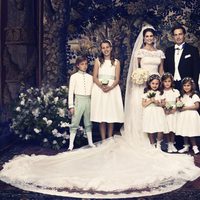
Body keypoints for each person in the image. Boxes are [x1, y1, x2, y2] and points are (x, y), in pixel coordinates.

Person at [0, 25, 199, 199]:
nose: (148, 39)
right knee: (143, 111)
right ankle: (141, 138)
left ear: (154, 38)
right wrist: (139, 80)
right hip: (142, 86)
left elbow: (163, 71)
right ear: (144, 38)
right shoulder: (139, 52)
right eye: (146, 36)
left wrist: (158, 83)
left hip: (155, 85)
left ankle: (160, 141)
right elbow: (134, 72)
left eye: (150, 37)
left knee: (157, 114)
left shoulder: (159, 53)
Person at [90, 40, 124, 140]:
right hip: (100, 90)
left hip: (112, 89)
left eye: (107, 47)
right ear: (101, 49)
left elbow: (117, 79)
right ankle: (103, 139)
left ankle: (110, 138)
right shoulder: (98, 61)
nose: (106, 49)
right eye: (103, 48)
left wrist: (110, 87)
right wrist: (102, 86)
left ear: (111, 48)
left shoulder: (116, 62)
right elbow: (94, 77)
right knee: (102, 115)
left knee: (110, 114)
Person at [68, 56, 95, 150]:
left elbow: (93, 91)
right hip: (78, 100)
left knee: (88, 122)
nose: (84, 66)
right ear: (78, 65)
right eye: (82, 64)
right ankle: (71, 145)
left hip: (88, 100)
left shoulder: (90, 77)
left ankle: (90, 142)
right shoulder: (74, 77)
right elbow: (71, 92)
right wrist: (71, 106)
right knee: (75, 122)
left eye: (86, 64)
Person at [164, 25, 200, 91]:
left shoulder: (193, 50)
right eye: (175, 35)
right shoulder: (168, 51)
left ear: (184, 35)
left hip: (187, 86)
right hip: (172, 85)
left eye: (180, 34)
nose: (178, 37)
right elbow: (166, 68)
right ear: (173, 37)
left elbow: (196, 70)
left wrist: (193, 86)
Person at [142, 74, 167, 149]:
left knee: (160, 127)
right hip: (149, 111)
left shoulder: (161, 93)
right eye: (153, 83)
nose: (154, 85)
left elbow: (163, 104)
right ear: (149, 83)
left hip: (158, 111)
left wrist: (157, 102)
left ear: (159, 84)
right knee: (150, 128)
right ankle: (152, 144)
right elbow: (143, 104)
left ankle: (159, 143)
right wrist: (150, 101)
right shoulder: (146, 93)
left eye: (157, 83)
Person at [176, 77, 200, 154]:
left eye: (188, 85)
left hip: (192, 116)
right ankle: (186, 146)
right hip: (184, 116)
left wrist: (185, 108)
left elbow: (196, 106)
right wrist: (179, 107)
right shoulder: (182, 96)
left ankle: (194, 146)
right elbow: (179, 106)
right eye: (185, 85)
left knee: (191, 131)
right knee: (185, 131)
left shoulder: (194, 95)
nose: (186, 87)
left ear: (192, 86)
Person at [161, 73, 180, 153]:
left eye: (169, 81)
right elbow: (163, 102)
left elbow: (178, 101)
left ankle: (172, 143)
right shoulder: (162, 92)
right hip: (166, 112)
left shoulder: (175, 91)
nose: (167, 83)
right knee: (168, 129)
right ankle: (168, 144)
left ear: (172, 82)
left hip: (174, 112)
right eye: (165, 81)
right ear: (162, 82)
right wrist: (166, 109)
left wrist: (175, 108)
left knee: (173, 128)